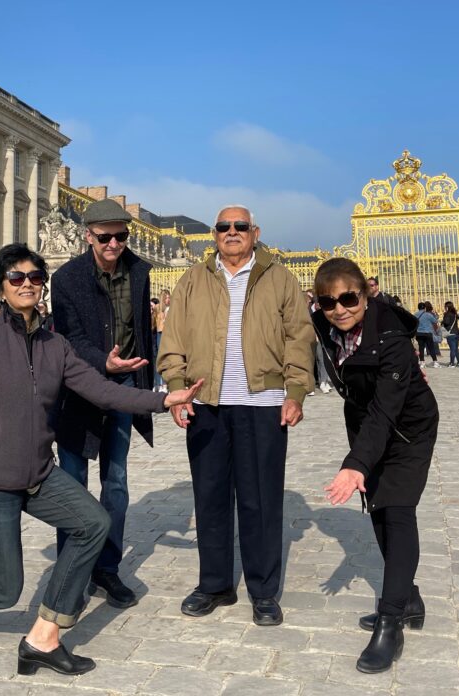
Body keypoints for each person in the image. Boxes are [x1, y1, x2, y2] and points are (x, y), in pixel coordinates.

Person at [0, 243, 202, 673]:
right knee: (1, 590)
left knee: (93, 523)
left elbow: (102, 390)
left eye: (35, 277)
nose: (27, 284)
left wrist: (162, 398)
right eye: (17, 277)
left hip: (40, 475)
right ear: (1, 287)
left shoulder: (55, 345)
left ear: (43, 285)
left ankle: (43, 636)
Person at [158, 204, 315, 626]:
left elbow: (299, 338)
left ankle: (263, 590)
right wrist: (176, 388)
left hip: (263, 403)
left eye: (240, 226)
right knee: (209, 497)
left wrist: (296, 391)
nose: (232, 232)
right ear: (214, 234)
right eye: (224, 227)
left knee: (260, 499)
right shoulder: (192, 279)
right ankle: (215, 584)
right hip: (205, 402)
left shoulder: (280, 278)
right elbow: (172, 338)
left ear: (254, 232)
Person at [312, 258, 438, 673]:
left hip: (408, 429)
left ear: (366, 293)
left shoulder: (392, 338)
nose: (340, 309)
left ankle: (390, 623)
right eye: (330, 302)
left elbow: (387, 410)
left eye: (349, 298)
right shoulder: (322, 321)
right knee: (380, 514)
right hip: (368, 426)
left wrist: (355, 465)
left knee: (398, 511)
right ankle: (409, 600)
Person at [51, 198, 156, 609]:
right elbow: (69, 338)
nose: (114, 243)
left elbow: (144, 331)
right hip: (79, 386)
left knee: (116, 481)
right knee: (72, 484)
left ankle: (107, 569)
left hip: (125, 385)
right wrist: (102, 361)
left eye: (121, 235)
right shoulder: (66, 278)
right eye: (105, 236)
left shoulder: (140, 272)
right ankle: (71, 573)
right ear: (88, 236)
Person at [413, 302, 439, 367]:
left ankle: (422, 362)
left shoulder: (415, 314)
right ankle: (435, 362)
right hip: (428, 333)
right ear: (425, 308)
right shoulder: (428, 314)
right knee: (431, 348)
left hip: (419, 333)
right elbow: (435, 321)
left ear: (418, 308)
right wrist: (435, 315)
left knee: (421, 348)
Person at [440, 302, 459, 367]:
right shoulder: (455, 314)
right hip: (457, 333)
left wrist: (442, 321)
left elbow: (447, 322)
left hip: (450, 333)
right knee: (456, 349)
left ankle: (452, 363)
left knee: (452, 349)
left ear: (447, 307)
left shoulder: (447, 314)